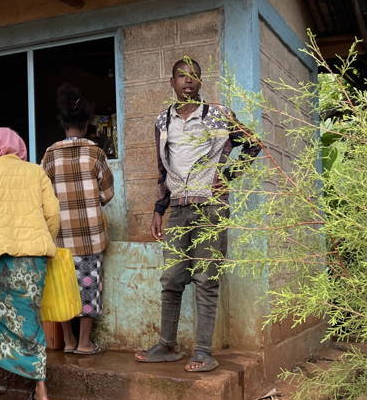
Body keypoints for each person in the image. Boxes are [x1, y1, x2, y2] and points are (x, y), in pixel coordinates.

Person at [134, 57, 260, 372]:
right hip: (177, 208)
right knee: (172, 278)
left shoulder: (219, 115)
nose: (187, 80)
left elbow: (253, 146)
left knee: (206, 278)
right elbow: (162, 168)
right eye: (181, 76)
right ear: (172, 82)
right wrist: (158, 209)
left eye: (193, 76)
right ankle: (167, 345)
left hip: (211, 207)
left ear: (200, 82)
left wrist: (228, 178)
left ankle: (203, 351)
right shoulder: (162, 121)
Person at [0, 127, 60, 400]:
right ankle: (41, 393)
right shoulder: (36, 172)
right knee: (30, 320)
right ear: (18, 148)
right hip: (33, 259)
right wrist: (45, 240)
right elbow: (53, 214)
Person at [41, 83, 114, 356]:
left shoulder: (50, 153)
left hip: (59, 237)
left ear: (63, 124)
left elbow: (43, 196)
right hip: (89, 236)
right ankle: (85, 343)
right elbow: (107, 193)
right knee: (88, 287)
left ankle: (69, 341)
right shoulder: (95, 152)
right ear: (85, 124)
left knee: (62, 288)